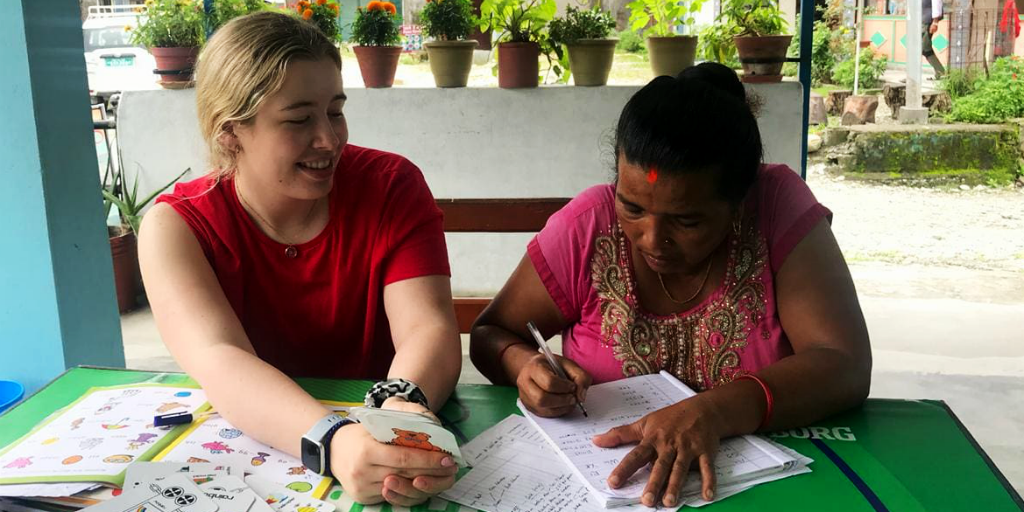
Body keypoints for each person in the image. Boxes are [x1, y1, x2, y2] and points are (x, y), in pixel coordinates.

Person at [470, 63, 872, 508]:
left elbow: (843, 364)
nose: (651, 239)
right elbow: (491, 334)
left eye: (687, 221)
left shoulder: (776, 206)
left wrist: (713, 411)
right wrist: (523, 365)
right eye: (632, 208)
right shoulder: (587, 226)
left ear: (739, 201)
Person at [139, 12, 461, 507]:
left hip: (380, 443)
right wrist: (333, 442)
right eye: (299, 119)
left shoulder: (391, 186)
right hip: (258, 458)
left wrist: (403, 409)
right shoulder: (177, 227)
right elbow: (220, 360)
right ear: (230, 132)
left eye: (335, 110)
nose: (329, 139)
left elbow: (427, 327)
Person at [923, 0, 946, 78]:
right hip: (920, 20)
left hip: (927, 20)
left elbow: (937, 3)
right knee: (919, 47)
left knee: (924, 47)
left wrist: (935, 22)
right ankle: (940, 72)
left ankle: (941, 72)